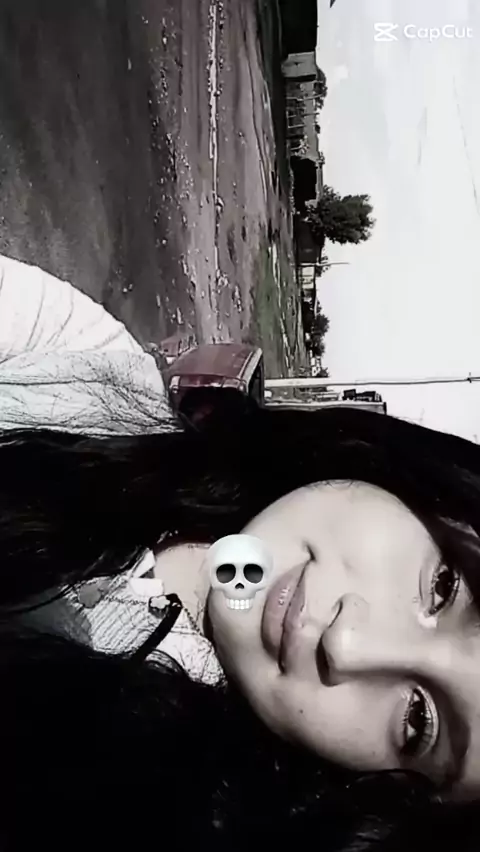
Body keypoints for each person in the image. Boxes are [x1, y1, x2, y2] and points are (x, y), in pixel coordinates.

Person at [0, 253, 479, 848]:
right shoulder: (94, 369)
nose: (347, 645)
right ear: (428, 486)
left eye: (418, 721)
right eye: (443, 586)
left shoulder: (120, 806)